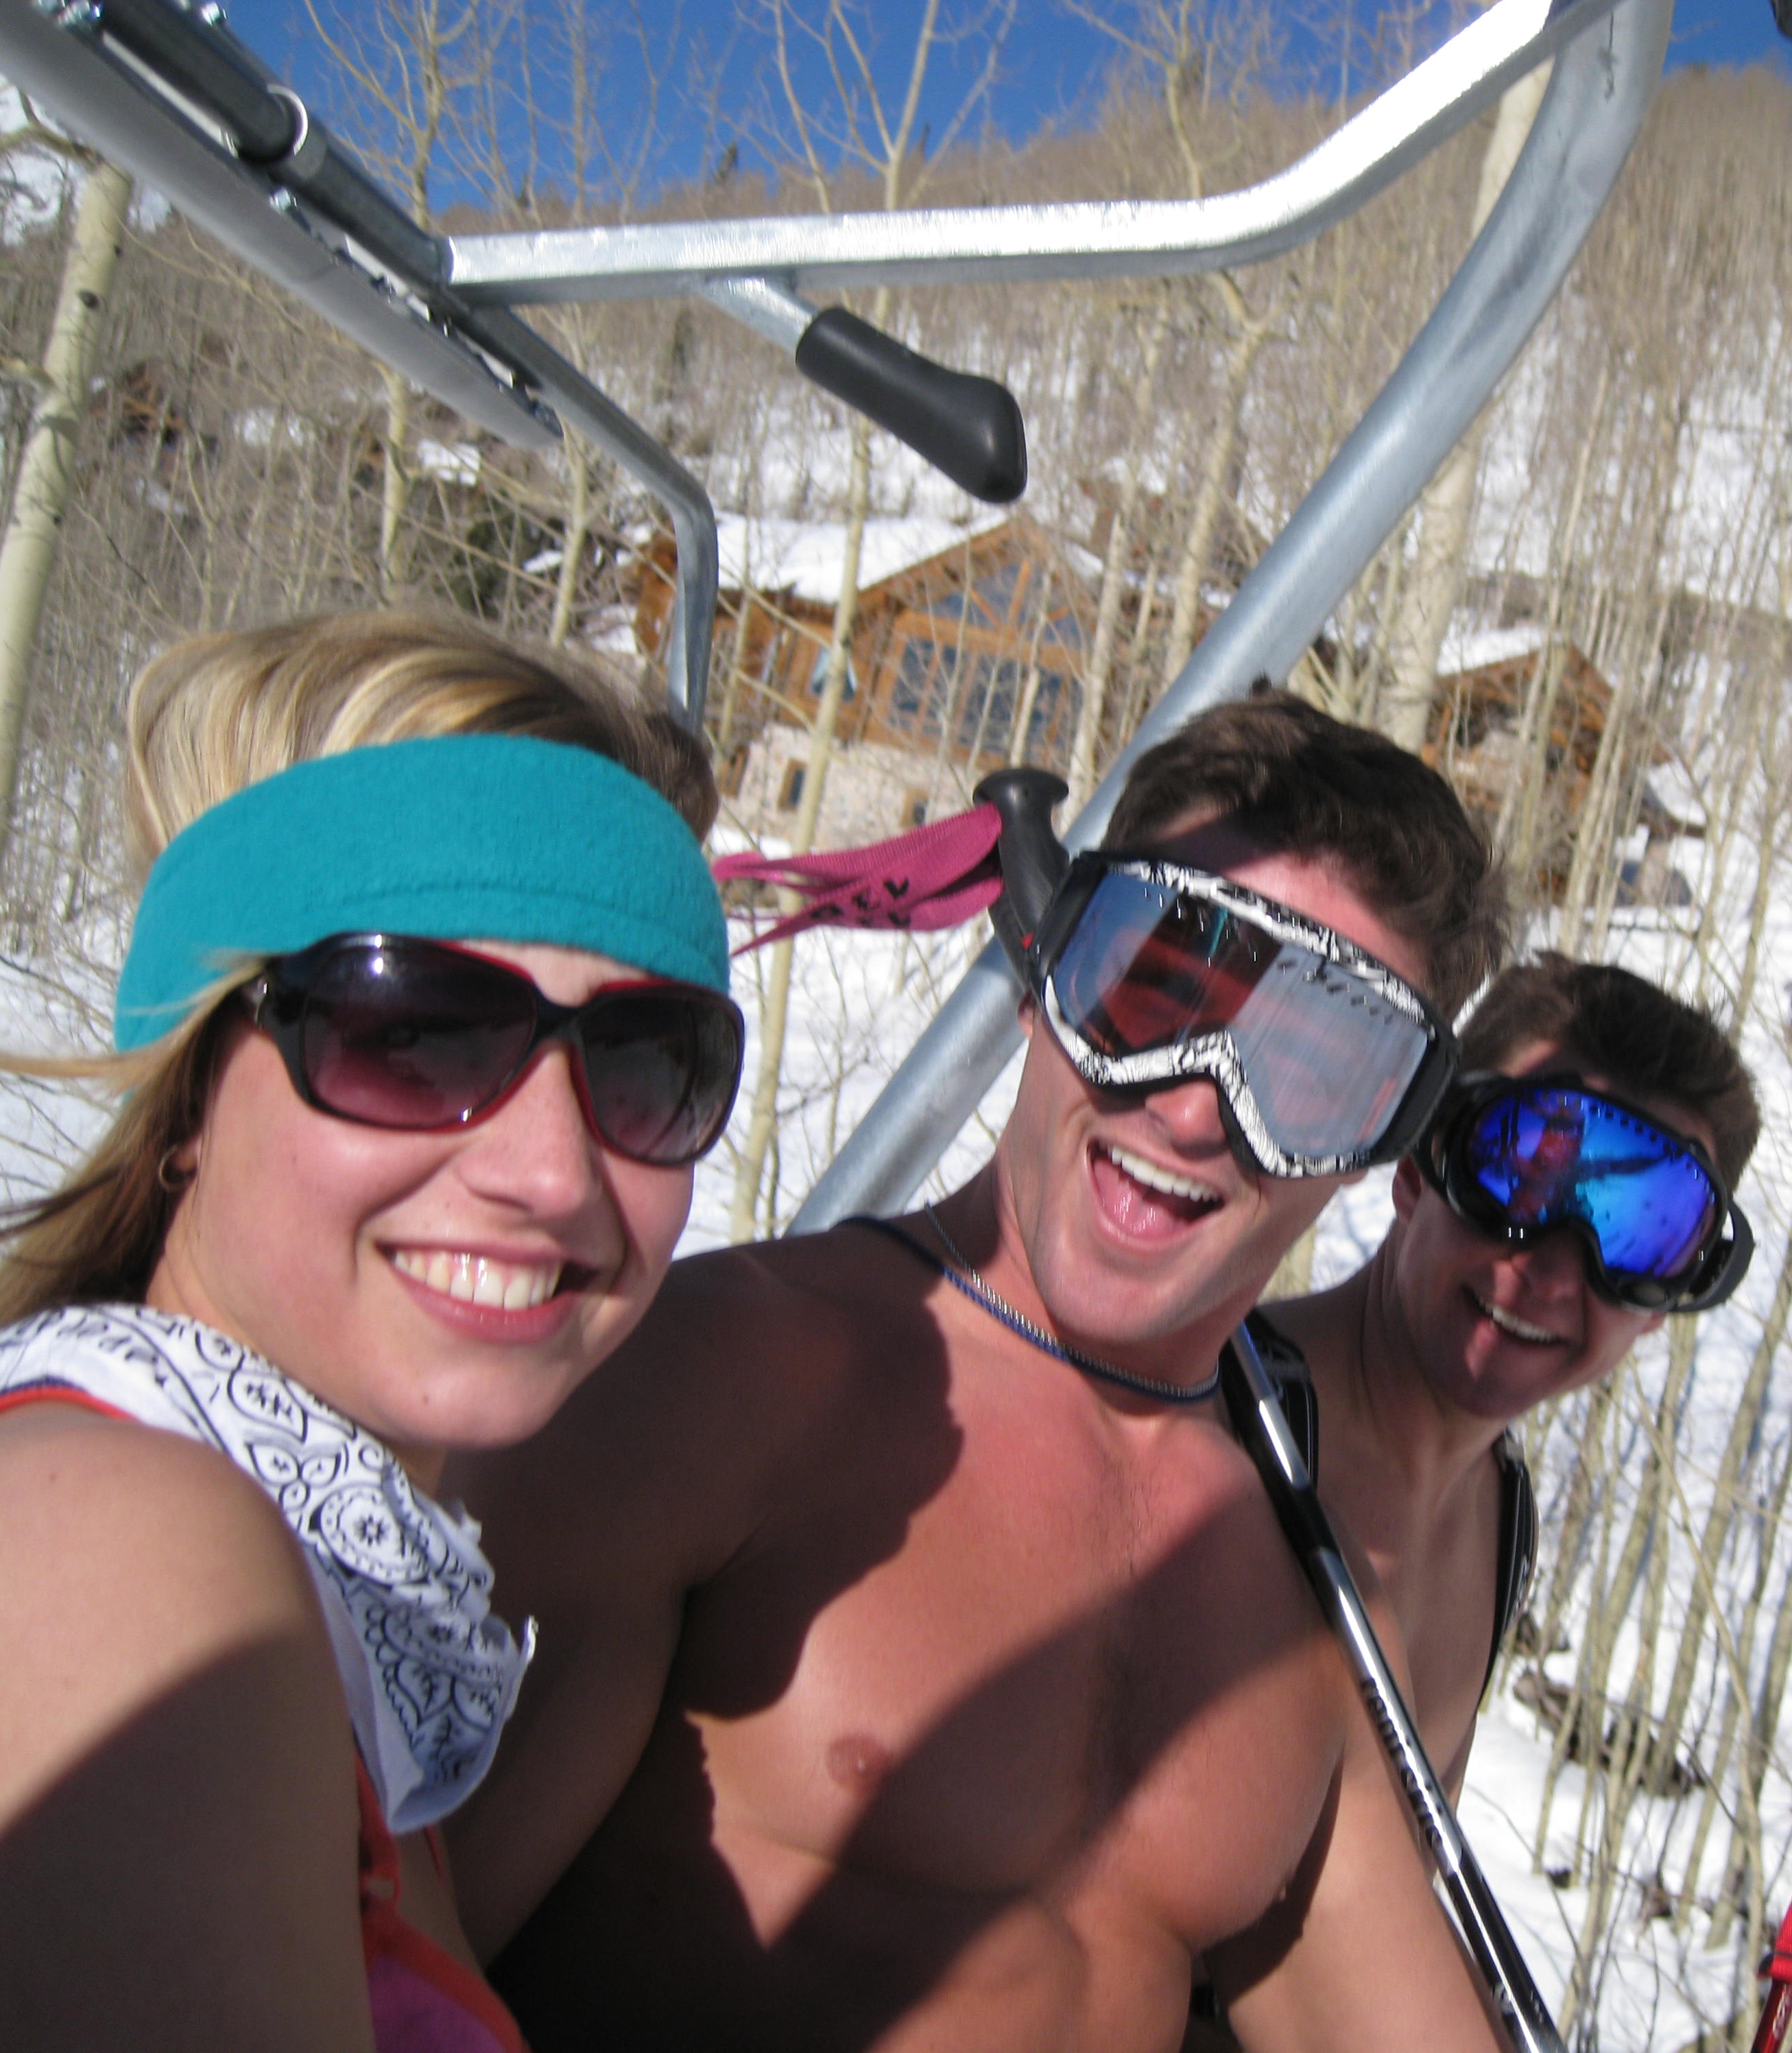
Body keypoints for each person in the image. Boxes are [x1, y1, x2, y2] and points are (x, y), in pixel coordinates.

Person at [444, 691, 1516, 2053]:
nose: (1192, 1106)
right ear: (1044, 965)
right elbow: (379, 1966)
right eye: (1154, 988)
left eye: (1308, 1072)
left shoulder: (1306, 1586)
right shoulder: (727, 1385)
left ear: (1379, 1141)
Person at [0, 613, 745, 2052]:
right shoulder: (117, 1541)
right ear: (186, 1094)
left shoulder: (333, 1615)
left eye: (645, 1062)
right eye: (414, 1035)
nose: (553, 1172)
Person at [1257, 956, 1758, 1794]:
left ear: (1662, 1306)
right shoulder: (1220, 1420)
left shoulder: (1502, 1525)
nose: (1553, 1272)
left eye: (1635, 1234)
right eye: (1517, 1180)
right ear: (1418, 1168)